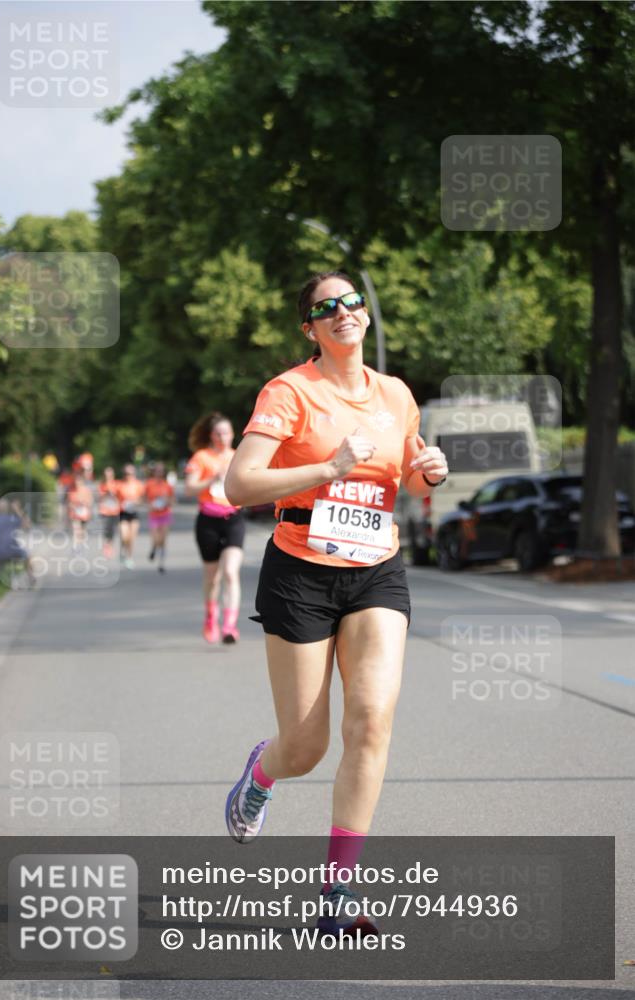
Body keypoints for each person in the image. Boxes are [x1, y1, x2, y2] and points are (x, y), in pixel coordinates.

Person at [223, 271, 448, 937]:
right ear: (311, 329)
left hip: (375, 568)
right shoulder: (290, 392)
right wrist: (325, 469)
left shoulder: (395, 394)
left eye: (351, 301)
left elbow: (404, 473)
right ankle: (260, 774)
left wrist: (425, 470)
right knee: (305, 746)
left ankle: (337, 891)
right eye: (327, 307)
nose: (344, 311)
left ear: (363, 316)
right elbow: (239, 484)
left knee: (372, 721)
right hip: (299, 571)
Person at [185, 413, 245, 644]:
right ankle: (211, 615)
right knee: (213, 577)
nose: (222, 437)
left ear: (232, 435)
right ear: (212, 435)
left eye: (226, 433)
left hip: (233, 518)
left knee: (230, 572)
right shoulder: (201, 457)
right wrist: (212, 479)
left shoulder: (238, 456)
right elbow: (190, 489)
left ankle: (229, 626)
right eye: (218, 433)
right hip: (208, 520)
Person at [0, 498, 36, 586]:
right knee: (27, 555)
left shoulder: (5, 519)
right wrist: (18, 510)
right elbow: (28, 525)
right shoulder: (3, 519)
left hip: (7, 549)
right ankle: (31, 576)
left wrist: (17, 510)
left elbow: (28, 526)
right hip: (7, 549)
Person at [144, 462, 175, 573]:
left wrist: (167, 501)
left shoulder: (168, 486)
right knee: (156, 538)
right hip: (153, 515)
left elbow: (173, 501)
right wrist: (149, 505)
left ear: (163, 473)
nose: (159, 473)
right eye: (157, 471)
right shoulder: (149, 484)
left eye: (161, 471)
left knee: (163, 540)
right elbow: (144, 498)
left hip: (165, 514)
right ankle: (153, 548)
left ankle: (161, 563)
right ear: (154, 472)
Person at [117, 464, 144, 569]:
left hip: (134, 513)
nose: (128, 475)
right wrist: (120, 504)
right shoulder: (119, 485)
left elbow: (143, 499)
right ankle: (123, 549)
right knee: (124, 535)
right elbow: (114, 499)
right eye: (126, 473)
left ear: (134, 474)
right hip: (123, 513)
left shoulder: (138, 485)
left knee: (132, 537)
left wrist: (136, 502)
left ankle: (129, 557)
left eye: (130, 473)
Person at [66, 466, 94, 549]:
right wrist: (72, 506)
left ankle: (81, 544)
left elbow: (90, 502)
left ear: (82, 481)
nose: (77, 482)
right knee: (76, 528)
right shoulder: (71, 490)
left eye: (79, 480)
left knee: (82, 530)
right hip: (74, 513)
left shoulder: (86, 490)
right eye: (76, 480)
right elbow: (68, 502)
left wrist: (84, 503)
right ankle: (75, 546)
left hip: (84, 513)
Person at [98, 467, 121, 558]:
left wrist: (114, 495)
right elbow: (100, 497)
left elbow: (120, 496)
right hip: (105, 510)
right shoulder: (102, 485)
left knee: (112, 530)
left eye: (110, 474)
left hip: (115, 510)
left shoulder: (117, 484)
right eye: (106, 474)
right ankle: (106, 546)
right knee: (106, 529)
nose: (108, 476)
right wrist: (106, 494)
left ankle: (110, 545)